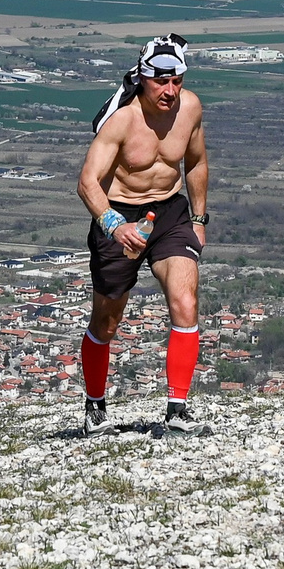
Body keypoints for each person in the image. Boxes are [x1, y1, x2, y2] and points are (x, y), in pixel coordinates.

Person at [76, 35, 211, 434]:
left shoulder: (190, 108)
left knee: (185, 300)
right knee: (107, 321)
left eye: (177, 81)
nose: (170, 91)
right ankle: (95, 406)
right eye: (161, 82)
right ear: (144, 79)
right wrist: (114, 226)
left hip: (170, 213)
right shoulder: (122, 120)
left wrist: (199, 220)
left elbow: (196, 161)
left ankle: (177, 409)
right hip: (119, 217)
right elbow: (87, 182)